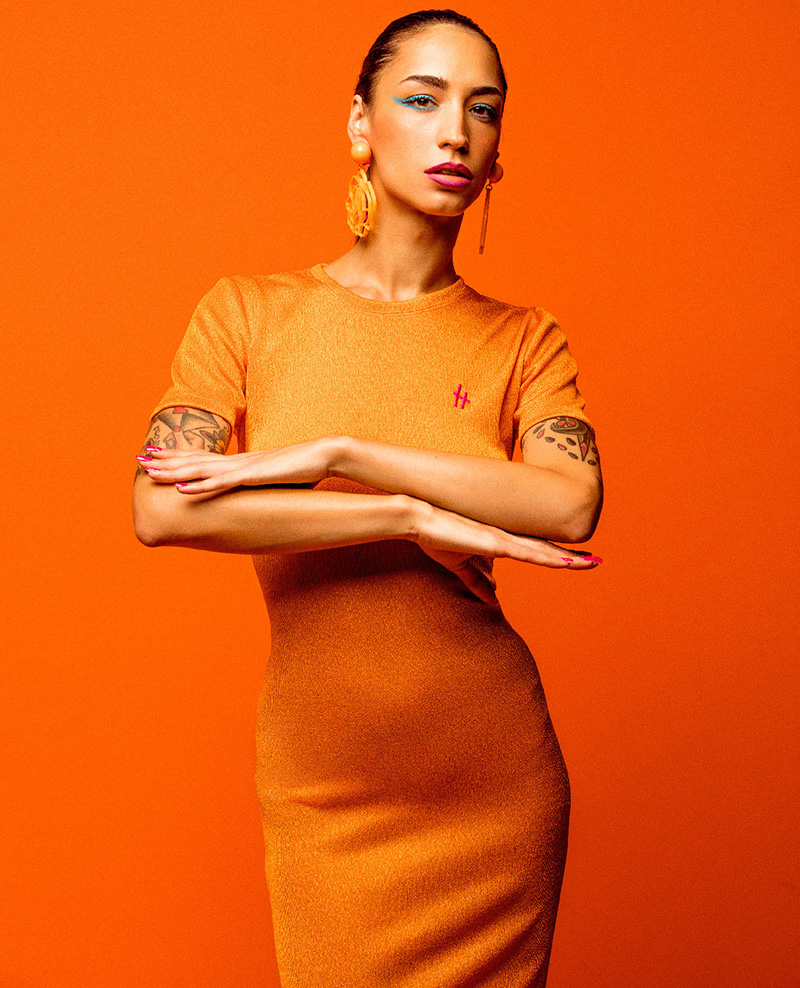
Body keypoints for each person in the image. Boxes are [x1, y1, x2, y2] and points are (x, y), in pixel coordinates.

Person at [132, 8, 604, 986]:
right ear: (360, 122)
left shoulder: (524, 339)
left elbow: (567, 505)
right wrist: (402, 516)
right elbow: (161, 508)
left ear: (497, 152)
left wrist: (344, 452)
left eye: (482, 109)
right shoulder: (247, 314)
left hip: (490, 783)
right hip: (324, 785)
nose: (454, 132)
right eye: (422, 100)